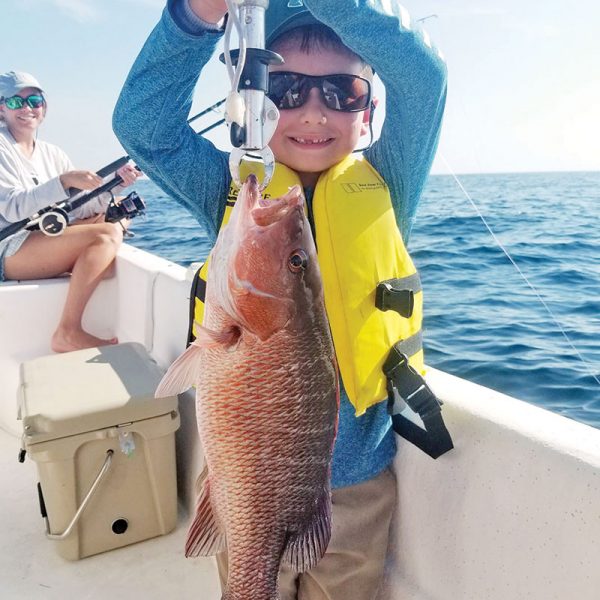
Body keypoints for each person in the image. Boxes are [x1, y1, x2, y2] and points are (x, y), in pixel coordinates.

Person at [114, 0, 446, 598]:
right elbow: (143, 126)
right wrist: (196, 16)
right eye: (287, 89)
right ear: (255, 105)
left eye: (342, 91)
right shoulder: (234, 188)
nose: (315, 112)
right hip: (241, 481)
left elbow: (425, 79)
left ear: (368, 110)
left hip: (355, 489)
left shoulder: (390, 180)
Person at [0, 71, 141, 353]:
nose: (27, 108)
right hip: (11, 249)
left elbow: (77, 206)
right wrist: (64, 182)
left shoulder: (53, 153)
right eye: (16, 102)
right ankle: (68, 332)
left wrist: (112, 186)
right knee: (105, 236)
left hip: (45, 238)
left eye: (34, 101)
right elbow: (13, 207)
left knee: (109, 224)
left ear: (44, 107)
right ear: (2, 108)